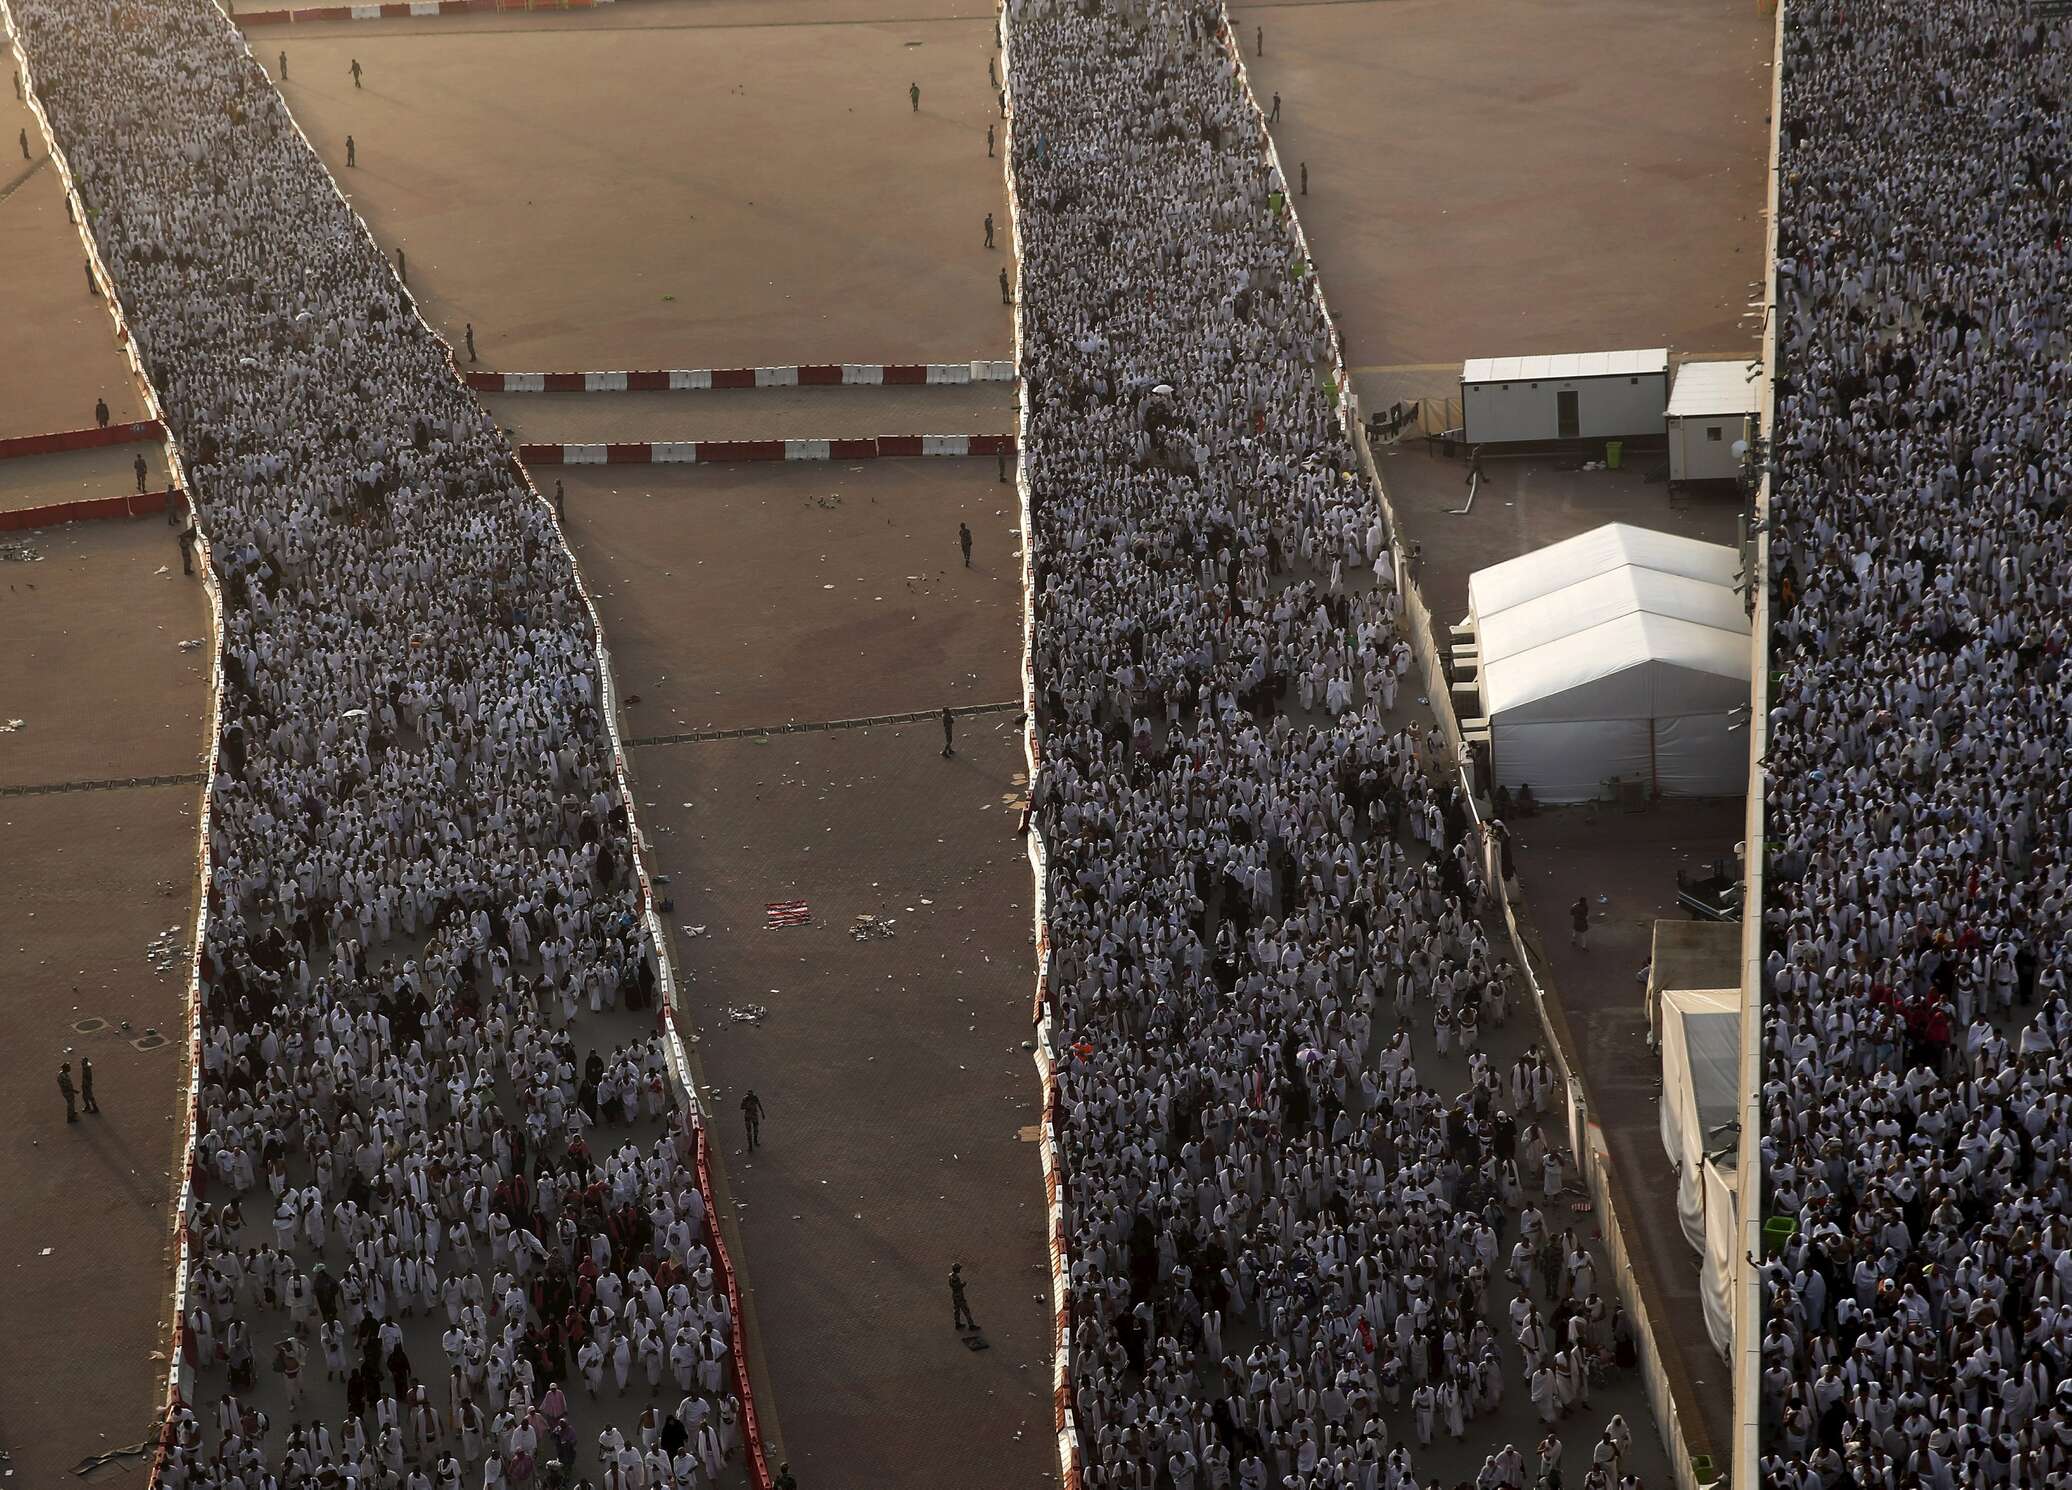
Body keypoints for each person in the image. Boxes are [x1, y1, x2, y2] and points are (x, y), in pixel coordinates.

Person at [948, 1264, 975, 1331]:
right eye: (959, 1268)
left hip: (955, 1295)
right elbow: (957, 1287)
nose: (960, 1270)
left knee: (956, 1310)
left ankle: (957, 1323)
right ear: (956, 1269)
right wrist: (963, 1284)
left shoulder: (950, 1275)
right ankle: (971, 1325)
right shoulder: (955, 1278)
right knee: (966, 1310)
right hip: (959, 1296)